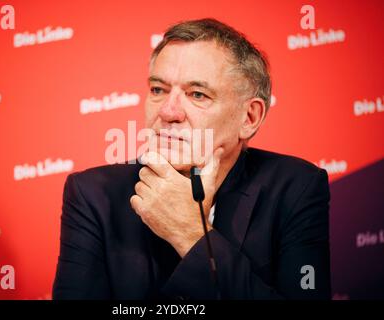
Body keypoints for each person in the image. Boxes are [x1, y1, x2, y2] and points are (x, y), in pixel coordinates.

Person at [52, 18, 331, 300]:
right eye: (158, 90)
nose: (168, 111)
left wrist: (191, 235)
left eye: (198, 94)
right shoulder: (93, 194)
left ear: (249, 117)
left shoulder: (297, 188)